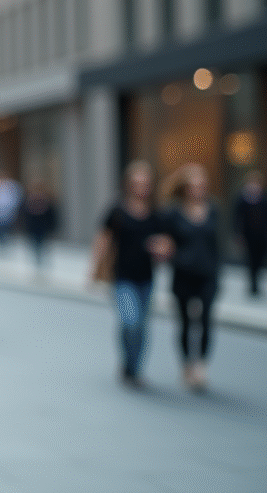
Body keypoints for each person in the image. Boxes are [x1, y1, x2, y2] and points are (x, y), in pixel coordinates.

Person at [90, 161, 169, 389]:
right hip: (122, 277)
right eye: (138, 183)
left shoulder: (156, 213)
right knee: (130, 322)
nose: (142, 187)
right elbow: (103, 238)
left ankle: (134, 369)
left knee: (142, 326)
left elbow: (166, 242)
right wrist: (93, 269)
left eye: (146, 183)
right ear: (129, 184)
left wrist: (161, 248)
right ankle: (128, 361)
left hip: (146, 277)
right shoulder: (117, 210)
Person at [162, 163, 222, 392]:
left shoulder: (213, 209)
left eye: (202, 185)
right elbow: (165, 242)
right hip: (183, 274)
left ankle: (201, 365)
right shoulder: (173, 213)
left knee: (206, 320)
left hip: (208, 274)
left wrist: (219, 271)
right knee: (186, 322)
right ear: (185, 188)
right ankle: (187, 363)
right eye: (194, 186)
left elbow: (217, 244)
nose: (198, 190)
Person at [234, 170, 265, 297]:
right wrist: (238, 234)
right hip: (248, 235)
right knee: (251, 259)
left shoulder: (263, 199)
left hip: (262, 235)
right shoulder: (242, 199)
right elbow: (236, 218)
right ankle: (253, 285)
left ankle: (256, 282)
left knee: (259, 259)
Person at [21, 180, 58, 270]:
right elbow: (24, 215)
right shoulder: (28, 201)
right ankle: (37, 259)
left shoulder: (47, 201)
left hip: (43, 228)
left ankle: (41, 260)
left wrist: (52, 227)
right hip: (32, 228)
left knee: (42, 244)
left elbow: (51, 216)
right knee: (34, 245)